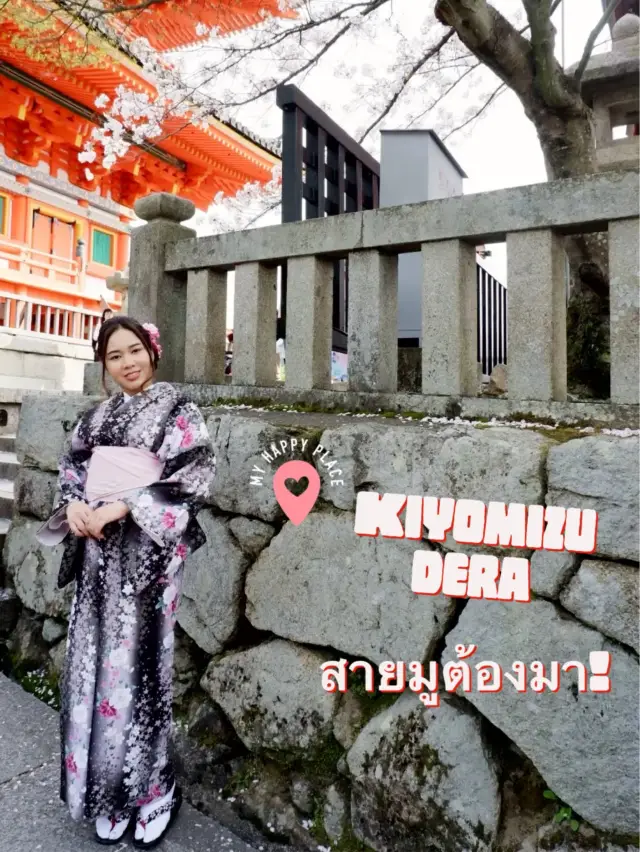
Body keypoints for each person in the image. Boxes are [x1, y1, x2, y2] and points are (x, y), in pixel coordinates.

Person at [36, 316, 216, 847]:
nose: (127, 363)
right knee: (92, 672)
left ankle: (154, 788)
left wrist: (126, 504)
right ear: (105, 365)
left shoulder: (179, 412)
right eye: (115, 356)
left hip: (146, 561)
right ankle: (107, 792)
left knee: (140, 672)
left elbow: (194, 476)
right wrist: (73, 507)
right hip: (96, 556)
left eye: (134, 350)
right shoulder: (94, 420)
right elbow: (72, 470)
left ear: (152, 353)